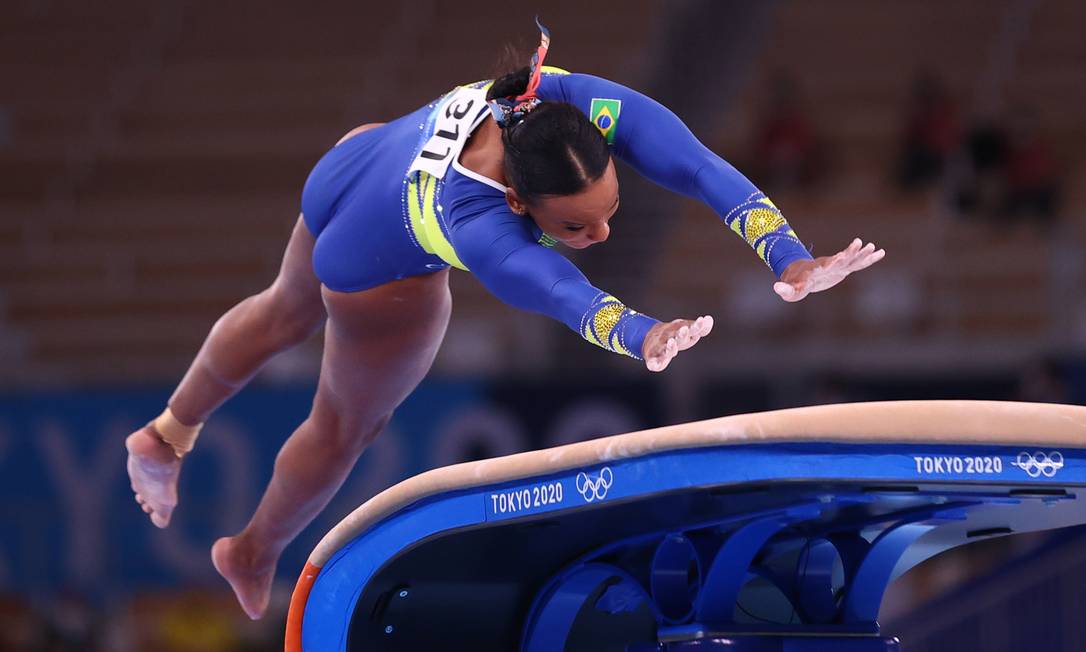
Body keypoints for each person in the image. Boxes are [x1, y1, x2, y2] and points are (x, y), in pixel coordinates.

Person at [125, 21, 884, 620]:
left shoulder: (568, 102)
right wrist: (641, 334)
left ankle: (165, 434)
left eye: (609, 212)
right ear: (518, 204)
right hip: (374, 261)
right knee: (344, 425)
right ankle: (252, 552)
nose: (602, 236)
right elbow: (559, 291)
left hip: (353, 162)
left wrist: (787, 254)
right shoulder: (478, 222)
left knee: (281, 308)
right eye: (579, 228)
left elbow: (694, 164)